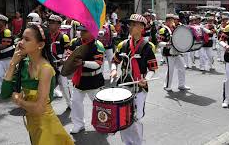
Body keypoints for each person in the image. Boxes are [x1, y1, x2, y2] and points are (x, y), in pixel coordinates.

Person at [0, 23, 74, 145]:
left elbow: (39, 109)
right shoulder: (24, 63)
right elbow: (4, 93)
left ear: (40, 45)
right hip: (32, 124)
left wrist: (19, 101)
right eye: (22, 38)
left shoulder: (45, 69)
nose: (20, 42)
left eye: (27, 39)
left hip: (46, 126)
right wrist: (12, 63)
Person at [110, 14, 158, 145]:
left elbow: (153, 69)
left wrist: (146, 79)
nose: (130, 26)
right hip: (124, 86)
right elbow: (114, 61)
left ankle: (137, 143)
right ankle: (127, 142)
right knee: (123, 117)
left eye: (134, 24)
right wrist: (114, 69)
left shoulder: (148, 47)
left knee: (136, 118)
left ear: (142, 27)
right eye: (130, 24)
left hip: (139, 86)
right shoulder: (123, 44)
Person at [69, 25, 105, 134]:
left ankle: (103, 123)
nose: (82, 33)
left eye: (85, 31)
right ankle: (78, 124)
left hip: (93, 79)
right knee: (75, 102)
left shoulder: (97, 45)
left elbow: (98, 64)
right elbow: (69, 56)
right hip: (79, 79)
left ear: (91, 31)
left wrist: (83, 63)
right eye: (81, 31)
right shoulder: (75, 42)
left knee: (99, 104)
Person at [159, 14, 190, 91]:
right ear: (166, 21)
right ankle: (167, 86)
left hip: (176, 51)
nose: (172, 21)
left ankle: (181, 85)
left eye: (172, 20)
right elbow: (159, 42)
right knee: (171, 70)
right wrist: (166, 44)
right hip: (168, 52)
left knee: (182, 67)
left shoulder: (175, 28)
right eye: (169, 20)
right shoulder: (163, 29)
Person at [47, 14, 72, 108]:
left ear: (58, 25)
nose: (50, 24)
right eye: (49, 22)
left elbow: (69, 52)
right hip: (48, 65)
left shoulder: (63, 37)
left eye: (53, 23)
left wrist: (64, 60)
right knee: (46, 86)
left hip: (60, 65)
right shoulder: (46, 35)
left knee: (64, 86)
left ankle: (70, 105)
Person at [0, 14, 15, 95]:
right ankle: (2, 89)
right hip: (0, 57)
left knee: (8, 74)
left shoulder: (7, 32)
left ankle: (10, 89)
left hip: (7, 56)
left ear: (3, 22)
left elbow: (3, 46)